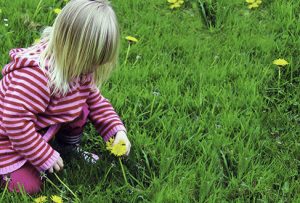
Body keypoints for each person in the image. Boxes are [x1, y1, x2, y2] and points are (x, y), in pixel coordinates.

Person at [0, 0, 131, 194]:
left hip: (36, 126)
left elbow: (96, 102)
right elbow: (14, 122)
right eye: (91, 60)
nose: (93, 69)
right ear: (71, 48)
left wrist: (116, 131)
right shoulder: (35, 77)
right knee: (28, 186)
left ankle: (67, 147)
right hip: (7, 138)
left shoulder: (79, 68)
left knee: (81, 105)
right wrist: (42, 155)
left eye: (99, 62)